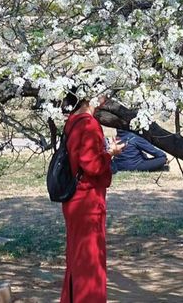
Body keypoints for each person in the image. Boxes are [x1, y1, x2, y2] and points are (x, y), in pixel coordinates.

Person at [59, 90, 124, 303]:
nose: (105, 98)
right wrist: (110, 154)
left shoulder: (73, 121)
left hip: (75, 198)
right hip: (87, 199)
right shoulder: (88, 123)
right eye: (102, 93)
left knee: (77, 260)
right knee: (90, 261)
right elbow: (92, 165)